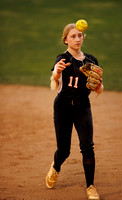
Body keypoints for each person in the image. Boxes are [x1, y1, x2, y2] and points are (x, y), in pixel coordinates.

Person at [46, 23, 103, 200]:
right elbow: (55, 77)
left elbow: (99, 89)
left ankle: (91, 186)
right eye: (73, 36)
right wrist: (56, 72)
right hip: (63, 107)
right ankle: (55, 167)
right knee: (64, 150)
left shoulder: (91, 60)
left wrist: (99, 86)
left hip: (82, 107)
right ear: (65, 40)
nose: (77, 39)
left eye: (80, 35)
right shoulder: (62, 59)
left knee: (87, 147)